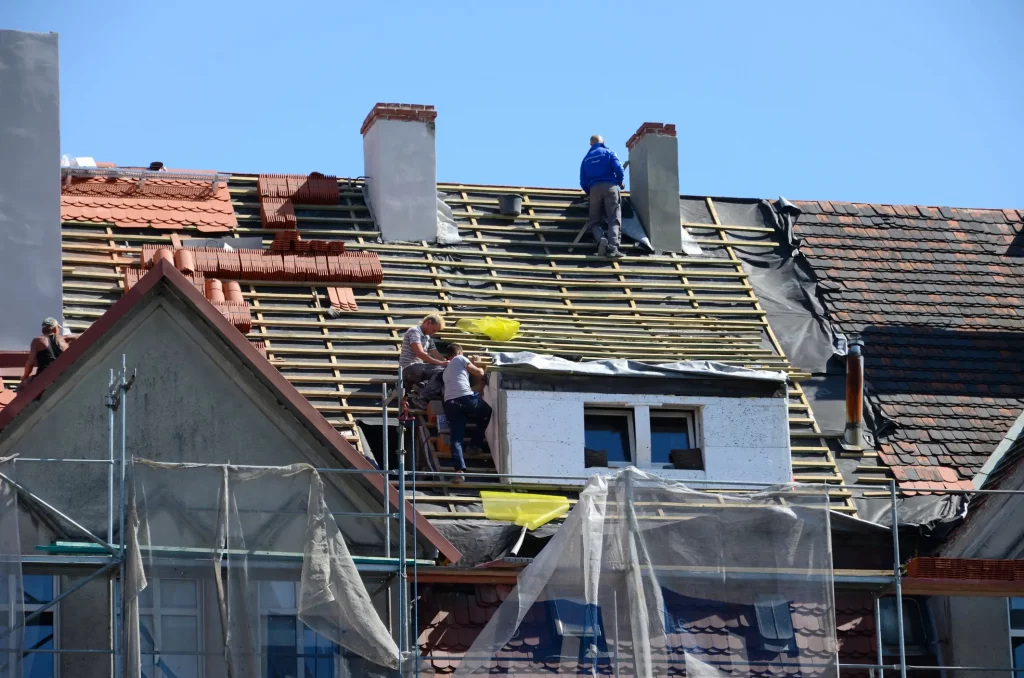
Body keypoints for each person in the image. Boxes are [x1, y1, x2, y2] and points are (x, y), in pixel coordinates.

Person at [441, 343, 490, 483]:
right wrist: (479, 366)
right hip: (465, 399)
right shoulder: (460, 359)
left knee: (456, 438)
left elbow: (463, 387)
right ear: (459, 353)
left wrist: (479, 387)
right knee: (487, 411)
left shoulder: (446, 372)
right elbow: (479, 373)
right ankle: (475, 445)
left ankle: (459, 471)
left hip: (450, 404)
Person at [579, 134, 625, 259]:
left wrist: (590, 192)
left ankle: (601, 238)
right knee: (613, 219)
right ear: (603, 142)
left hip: (594, 189)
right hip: (610, 187)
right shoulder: (609, 152)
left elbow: (582, 181)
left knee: (594, 221)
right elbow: (619, 169)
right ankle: (612, 248)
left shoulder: (586, 159)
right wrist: (619, 181)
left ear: (591, 144)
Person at [21, 317, 77, 385]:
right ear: (55, 329)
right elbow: (82, 335)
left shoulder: (37, 341)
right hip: (63, 375)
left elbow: (30, 362)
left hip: (43, 376)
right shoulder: (65, 339)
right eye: (58, 328)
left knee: (21, 387)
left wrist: (25, 377)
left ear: (42, 330)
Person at [399, 314, 448, 386]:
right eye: (433, 330)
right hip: (409, 367)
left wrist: (448, 363)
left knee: (445, 370)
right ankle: (426, 391)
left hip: (418, 367)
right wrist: (440, 363)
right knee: (440, 371)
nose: (434, 333)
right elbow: (420, 353)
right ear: (428, 322)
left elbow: (436, 354)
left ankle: (424, 388)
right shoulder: (414, 331)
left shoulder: (428, 337)